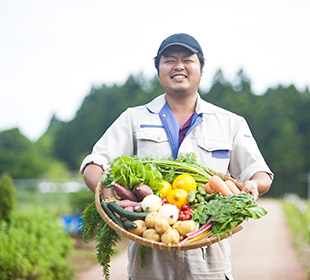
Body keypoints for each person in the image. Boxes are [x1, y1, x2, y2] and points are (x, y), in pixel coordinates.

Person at [80, 33, 273, 280]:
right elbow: (94, 164)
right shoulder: (133, 119)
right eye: (169, 60)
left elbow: (259, 171)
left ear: (201, 69)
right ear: (158, 70)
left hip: (208, 260)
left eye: (188, 60)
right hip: (148, 260)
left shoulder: (230, 123)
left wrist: (254, 185)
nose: (178, 65)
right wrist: (110, 197)